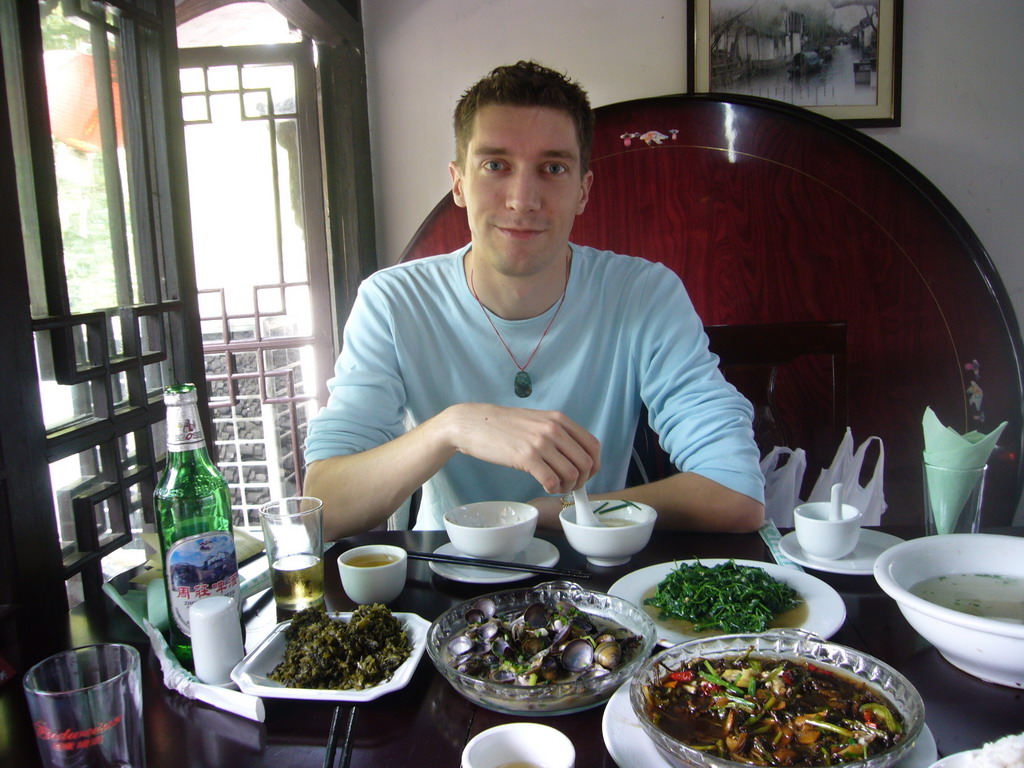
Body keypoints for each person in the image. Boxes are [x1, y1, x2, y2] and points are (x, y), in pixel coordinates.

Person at [304, 60, 764, 540]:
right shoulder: (393, 301)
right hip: (446, 572)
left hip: (589, 570)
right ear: (459, 183)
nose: (523, 199)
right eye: (496, 165)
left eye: (553, 168)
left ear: (583, 191)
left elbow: (736, 493)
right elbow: (324, 508)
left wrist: (547, 513)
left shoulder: (644, 294)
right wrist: (453, 427)